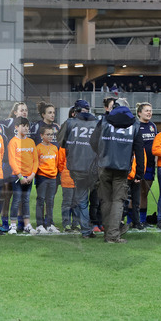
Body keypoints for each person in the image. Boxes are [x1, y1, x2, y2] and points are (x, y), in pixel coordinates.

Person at [90, 98, 144, 243]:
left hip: (104, 165)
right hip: (122, 167)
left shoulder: (104, 120)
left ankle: (109, 232)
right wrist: (139, 171)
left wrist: (102, 153)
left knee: (105, 200)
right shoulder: (135, 124)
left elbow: (93, 141)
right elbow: (139, 149)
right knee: (118, 201)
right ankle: (113, 235)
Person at [57, 100, 99, 239]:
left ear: (76, 111)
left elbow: (61, 142)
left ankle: (86, 230)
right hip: (95, 168)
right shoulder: (97, 123)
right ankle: (99, 226)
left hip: (77, 167)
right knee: (97, 200)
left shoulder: (69, 123)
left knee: (81, 200)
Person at [0, 102, 28, 232]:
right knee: (7, 195)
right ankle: (4, 221)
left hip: (22, 165)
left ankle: (20, 220)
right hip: (8, 163)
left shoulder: (27, 126)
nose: (24, 112)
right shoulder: (8, 122)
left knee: (20, 195)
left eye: (26, 110)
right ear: (15, 112)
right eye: (21, 110)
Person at [7, 117, 38, 235]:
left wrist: (32, 175)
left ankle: (27, 225)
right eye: (22, 125)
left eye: (27, 126)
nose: (25, 128)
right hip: (17, 177)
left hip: (29, 176)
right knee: (16, 200)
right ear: (16, 127)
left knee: (26, 201)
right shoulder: (13, 142)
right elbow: (12, 161)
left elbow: (35, 160)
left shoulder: (31, 142)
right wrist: (20, 176)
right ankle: (13, 225)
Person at [136, 102, 158, 227]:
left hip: (150, 164)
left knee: (145, 192)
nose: (149, 113)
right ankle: (131, 220)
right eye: (146, 111)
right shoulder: (135, 125)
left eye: (150, 110)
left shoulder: (153, 126)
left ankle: (143, 220)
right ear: (139, 113)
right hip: (138, 165)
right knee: (136, 193)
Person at [35, 125, 59, 234]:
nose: (50, 136)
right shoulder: (38, 148)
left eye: (52, 134)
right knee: (41, 200)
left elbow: (57, 163)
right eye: (48, 134)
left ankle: (49, 224)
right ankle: (40, 224)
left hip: (52, 177)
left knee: (50, 201)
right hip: (42, 177)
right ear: (41, 135)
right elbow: (35, 163)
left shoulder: (54, 148)